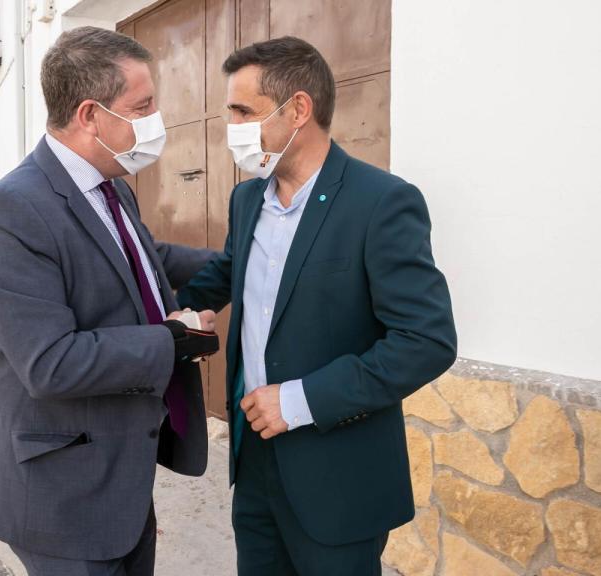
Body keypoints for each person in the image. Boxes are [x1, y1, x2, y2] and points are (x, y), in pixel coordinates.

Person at [176, 37, 458, 576]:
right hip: (254, 459)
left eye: (243, 111)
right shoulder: (247, 198)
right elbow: (228, 272)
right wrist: (182, 310)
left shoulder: (381, 202)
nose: (230, 125)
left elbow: (427, 342)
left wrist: (301, 400)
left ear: (298, 110)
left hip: (338, 473)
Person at [0, 27, 221, 576]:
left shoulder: (112, 185)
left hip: (121, 476)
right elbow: (51, 363)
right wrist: (174, 341)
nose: (158, 118)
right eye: (143, 105)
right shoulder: (12, 210)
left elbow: (147, 260)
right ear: (90, 114)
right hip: (63, 494)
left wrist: (253, 258)